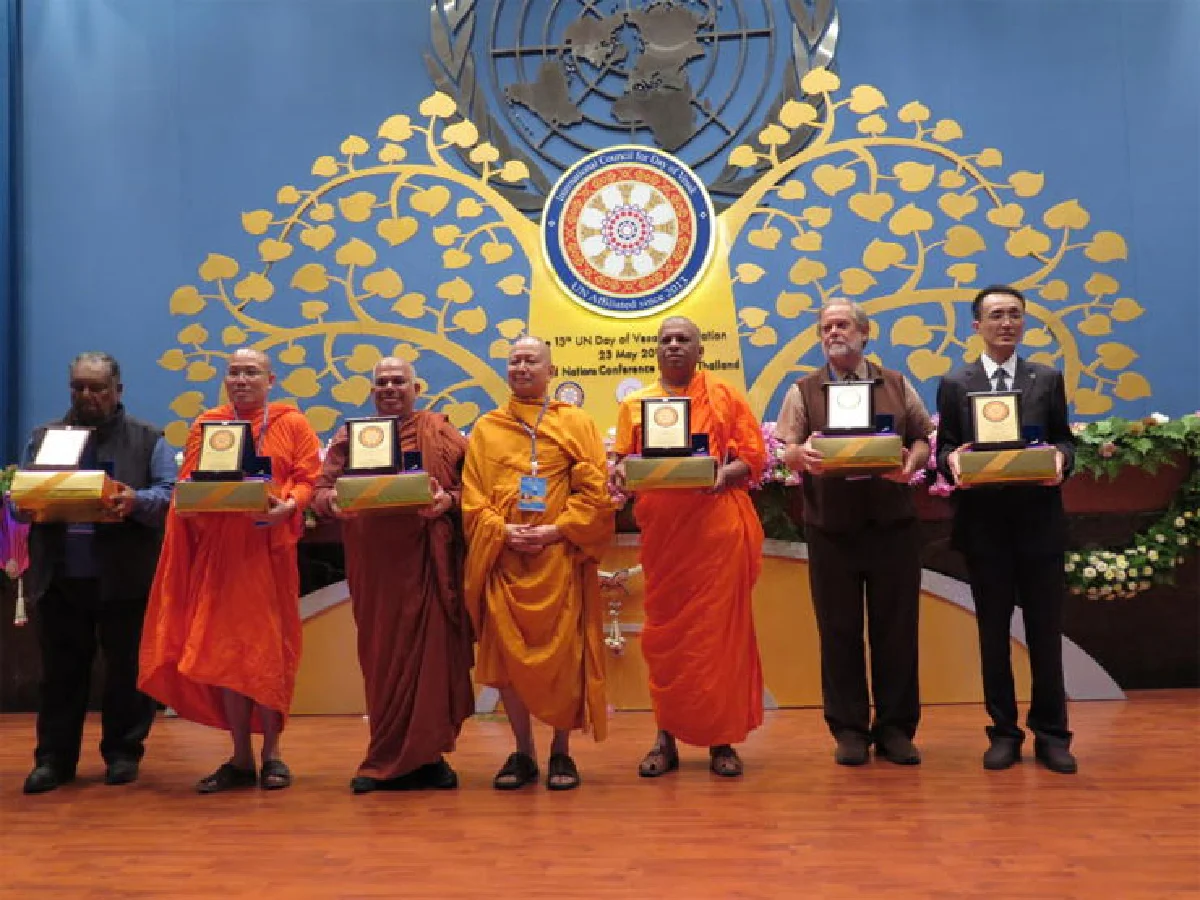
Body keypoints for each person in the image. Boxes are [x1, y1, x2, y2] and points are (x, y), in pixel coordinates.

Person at [139, 348, 321, 792]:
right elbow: (188, 483)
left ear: (270, 379)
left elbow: (307, 477)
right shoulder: (208, 424)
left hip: (267, 555)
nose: (241, 380)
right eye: (234, 373)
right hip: (219, 558)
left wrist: (289, 505)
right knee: (226, 654)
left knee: (267, 654)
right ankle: (239, 756)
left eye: (251, 372)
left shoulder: (291, 423)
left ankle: (272, 754)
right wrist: (201, 501)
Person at [777, 300, 932, 766]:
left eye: (843, 325)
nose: (833, 333)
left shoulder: (897, 384)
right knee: (839, 631)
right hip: (831, 529)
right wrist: (798, 457)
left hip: (893, 527)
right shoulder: (802, 391)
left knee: (897, 631)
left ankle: (896, 730)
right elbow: (786, 448)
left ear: (865, 333)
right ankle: (848, 730)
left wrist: (912, 464)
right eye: (826, 327)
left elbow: (923, 437)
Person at [312, 357, 474, 794]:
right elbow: (322, 490)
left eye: (397, 381)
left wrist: (448, 502)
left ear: (415, 388)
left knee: (432, 656)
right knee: (383, 657)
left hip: (426, 557)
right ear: (371, 391)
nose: (389, 388)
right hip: (377, 566)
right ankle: (384, 754)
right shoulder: (351, 437)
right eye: (381, 382)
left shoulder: (440, 431)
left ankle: (431, 756)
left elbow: (469, 487)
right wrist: (331, 503)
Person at [612, 316, 766, 778]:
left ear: (701, 349)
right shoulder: (636, 405)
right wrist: (619, 472)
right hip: (665, 537)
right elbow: (622, 460)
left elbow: (752, 456)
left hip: (717, 533)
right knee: (666, 639)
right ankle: (666, 736)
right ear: (656, 351)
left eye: (684, 339)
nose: (674, 345)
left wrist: (726, 475)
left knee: (718, 639)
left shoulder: (724, 397)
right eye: (666, 340)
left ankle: (723, 740)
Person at [936, 285, 1077, 774]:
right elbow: (945, 449)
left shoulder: (1047, 378)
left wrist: (1061, 458)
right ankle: (1003, 732)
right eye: (996, 315)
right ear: (977, 325)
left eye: (1015, 315)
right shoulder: (956, 382)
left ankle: (1053, 735)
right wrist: (950, 460)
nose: (1007, 323)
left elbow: (1063, 439)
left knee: (1045, 632)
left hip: (1039, 525)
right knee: (993, 635)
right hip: (985, 530)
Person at [462, 336, 614, 791]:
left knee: (565, 658)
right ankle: (523, 751)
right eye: (515, 360)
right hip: (506, 558)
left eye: (532, 360)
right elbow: (471, 497)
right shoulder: (488, 427)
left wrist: (557, 531)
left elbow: (595, 493)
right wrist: (501, 530)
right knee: (508, 662)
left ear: (551, 371)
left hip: (557, 556)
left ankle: (561, 752)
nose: (522, 367)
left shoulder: (576, 422)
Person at [20, 352, 174, 794]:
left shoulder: (148, 439)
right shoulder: (45, 437)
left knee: (126, 671)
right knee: (60, 674)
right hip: (61, 576)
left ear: (117, 390)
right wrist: (21, 503)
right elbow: (25, 493)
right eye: (78, 388)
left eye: (97, 388)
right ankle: (53, 760)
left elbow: (167, 494)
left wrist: (134, 501)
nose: (87, 396)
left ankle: (123, 753)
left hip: (123, 576)